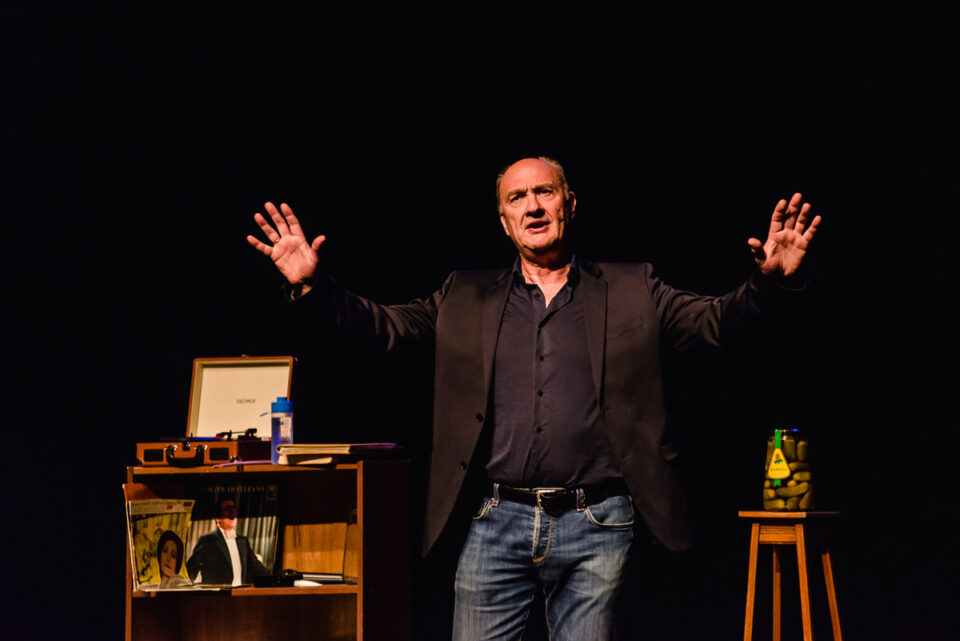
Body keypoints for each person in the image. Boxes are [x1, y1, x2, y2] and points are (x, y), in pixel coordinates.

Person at [247, 157, 821, 640]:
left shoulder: (632, 287)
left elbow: (716, 325)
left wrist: (770, 282)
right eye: (517, 198)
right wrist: (312, 286)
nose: (533, 206)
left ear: (570, 203)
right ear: (504, 221)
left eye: (544, 191)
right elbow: (384, 330)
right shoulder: (463, 295)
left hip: (599, 522)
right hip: (496, 520)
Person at [185, 497, 271, 586]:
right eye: (227, 509)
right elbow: (191, 569)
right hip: (218, 597)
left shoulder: (243, 541)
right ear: (217, 518)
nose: (231, 511)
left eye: (233, 508)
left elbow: (257, 567)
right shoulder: (207, 540)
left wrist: (275, 579)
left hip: (240, 595)